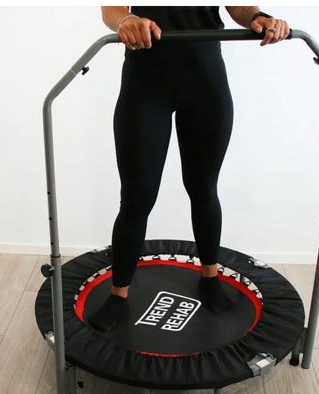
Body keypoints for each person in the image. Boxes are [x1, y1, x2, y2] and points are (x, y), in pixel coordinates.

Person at [89, 6, 290, 331]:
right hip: (146, 82)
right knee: (137, 198)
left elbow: (240, 7)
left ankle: (210, 278)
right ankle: (118, 294)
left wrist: (259, 19)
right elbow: (111, 9)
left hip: (205, 80)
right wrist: (127, 21)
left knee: (203, 187)